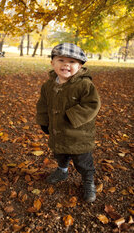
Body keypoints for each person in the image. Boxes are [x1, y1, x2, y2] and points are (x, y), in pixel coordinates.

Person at [36, 43, 101, 203]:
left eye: (72, 62)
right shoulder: (48, 85)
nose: (66, 64)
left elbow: (92, 104)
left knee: (82, 161)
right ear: (53, 63)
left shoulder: (84, 85)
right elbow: (42, 104)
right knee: (60, 153)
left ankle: (88, 180)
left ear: (79, 65)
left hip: (78, 134)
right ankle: (62, 170)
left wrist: (72, 116)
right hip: (57, 131)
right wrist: (44, 122)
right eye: (61, 60)